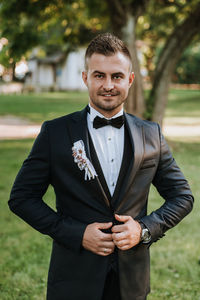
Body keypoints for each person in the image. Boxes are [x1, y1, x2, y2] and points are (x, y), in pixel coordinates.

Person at [9, 33, 194, 300]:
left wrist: (143, 229)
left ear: (130, 80)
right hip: (73, 280)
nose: (108, 85)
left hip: (131, 282)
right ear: (86, 78)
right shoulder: (55, 133)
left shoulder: (151, 134)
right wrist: (76, 233)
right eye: (99, 75)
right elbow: (21, 198)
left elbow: (182, 196)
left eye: (117, 76)